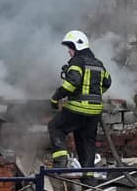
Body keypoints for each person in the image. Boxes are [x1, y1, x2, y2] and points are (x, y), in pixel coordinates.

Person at [47, 29, 111, 168]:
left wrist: (56, 97)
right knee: (86, 143)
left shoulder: (77, 62)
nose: (69, 51)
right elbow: (107, 83)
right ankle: (88, 178)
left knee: (55, 127)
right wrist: (94, 94)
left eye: (70, 47)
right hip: (95, 111)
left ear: (77, 46)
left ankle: (60, 161)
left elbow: (72, 83)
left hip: (78, 108)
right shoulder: (98, 63)